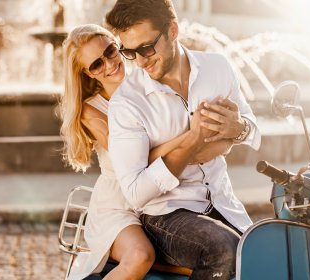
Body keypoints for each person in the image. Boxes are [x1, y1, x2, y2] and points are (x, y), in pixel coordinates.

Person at [60, 23, 235, 280]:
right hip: (119, 206)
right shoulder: (91, 110)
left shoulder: (150, 82)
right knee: (140, 257)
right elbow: (137, 158)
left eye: (110, 51)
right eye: (96, 64)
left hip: (161, 198)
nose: (109, 64)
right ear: (86, 73)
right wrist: (193, 137)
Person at [105, 1, 261, 279]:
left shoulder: (218, 67)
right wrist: (195, 139)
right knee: (223, 250)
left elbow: (253, 130)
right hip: (164, 214)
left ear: (173, 30)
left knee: (266, 254)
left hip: (224, 202)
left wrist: (236, 128)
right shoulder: (127, 103)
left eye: (146, 48)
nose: (140, 61)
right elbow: (136, 191)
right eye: (129, 52)